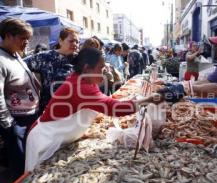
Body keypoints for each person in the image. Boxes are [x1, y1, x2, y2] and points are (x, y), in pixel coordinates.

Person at [25, 47, 162, 171]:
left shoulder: (86, 81)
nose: (105, 71)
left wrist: (136, 100)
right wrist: (149, 99)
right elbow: (113, 108)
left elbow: (106, 101)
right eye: (101, 67)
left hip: (60, 137)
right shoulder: (79, 87)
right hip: (46, 140)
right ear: (86, 68)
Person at [0, 18, 40, 180]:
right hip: (16, 121)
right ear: (9, 36)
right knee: (20, 162)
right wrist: (9, 124)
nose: (26, 43)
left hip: (29, 117)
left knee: (30, 158)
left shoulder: (15, 55)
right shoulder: (1, 60)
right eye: (23, 38)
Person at [24, 27, 79, 113]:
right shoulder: (44, 57)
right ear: (61, 41)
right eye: (71, 41)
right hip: (50, 109)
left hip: (74, 109)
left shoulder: (80, 59)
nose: (75, 44)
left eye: (77, 42)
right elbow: (20, 65)